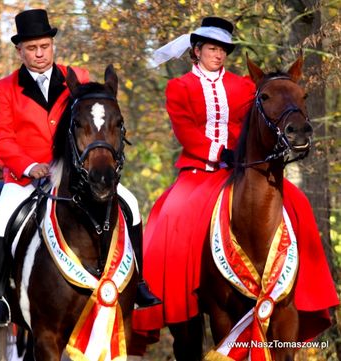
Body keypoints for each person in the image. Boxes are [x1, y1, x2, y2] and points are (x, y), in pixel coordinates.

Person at [131, 16, 338, 354]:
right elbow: (186, 132)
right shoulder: (179, 87)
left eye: (224, 49)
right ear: (197, 51)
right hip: (200, 171)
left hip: (243, 169)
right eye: (212, 48)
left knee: (297, 202)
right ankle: (175, 300)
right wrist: (218, 152)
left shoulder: (244, 86)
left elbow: (261, 120)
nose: (219, 55)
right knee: (174, 214)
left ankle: (311, 291)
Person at [0, 8, 160, 328]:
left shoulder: (76, 76)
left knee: (131, 205)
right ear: (19, 51)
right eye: (31, 48)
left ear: (52, 45)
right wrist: (28, 165)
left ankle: (140, 282)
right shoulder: (6, 87)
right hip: (28, 174)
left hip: (75, 171)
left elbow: (96, 116)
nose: (39, 54)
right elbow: (2, 136)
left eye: (44, 46)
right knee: (2, 217)